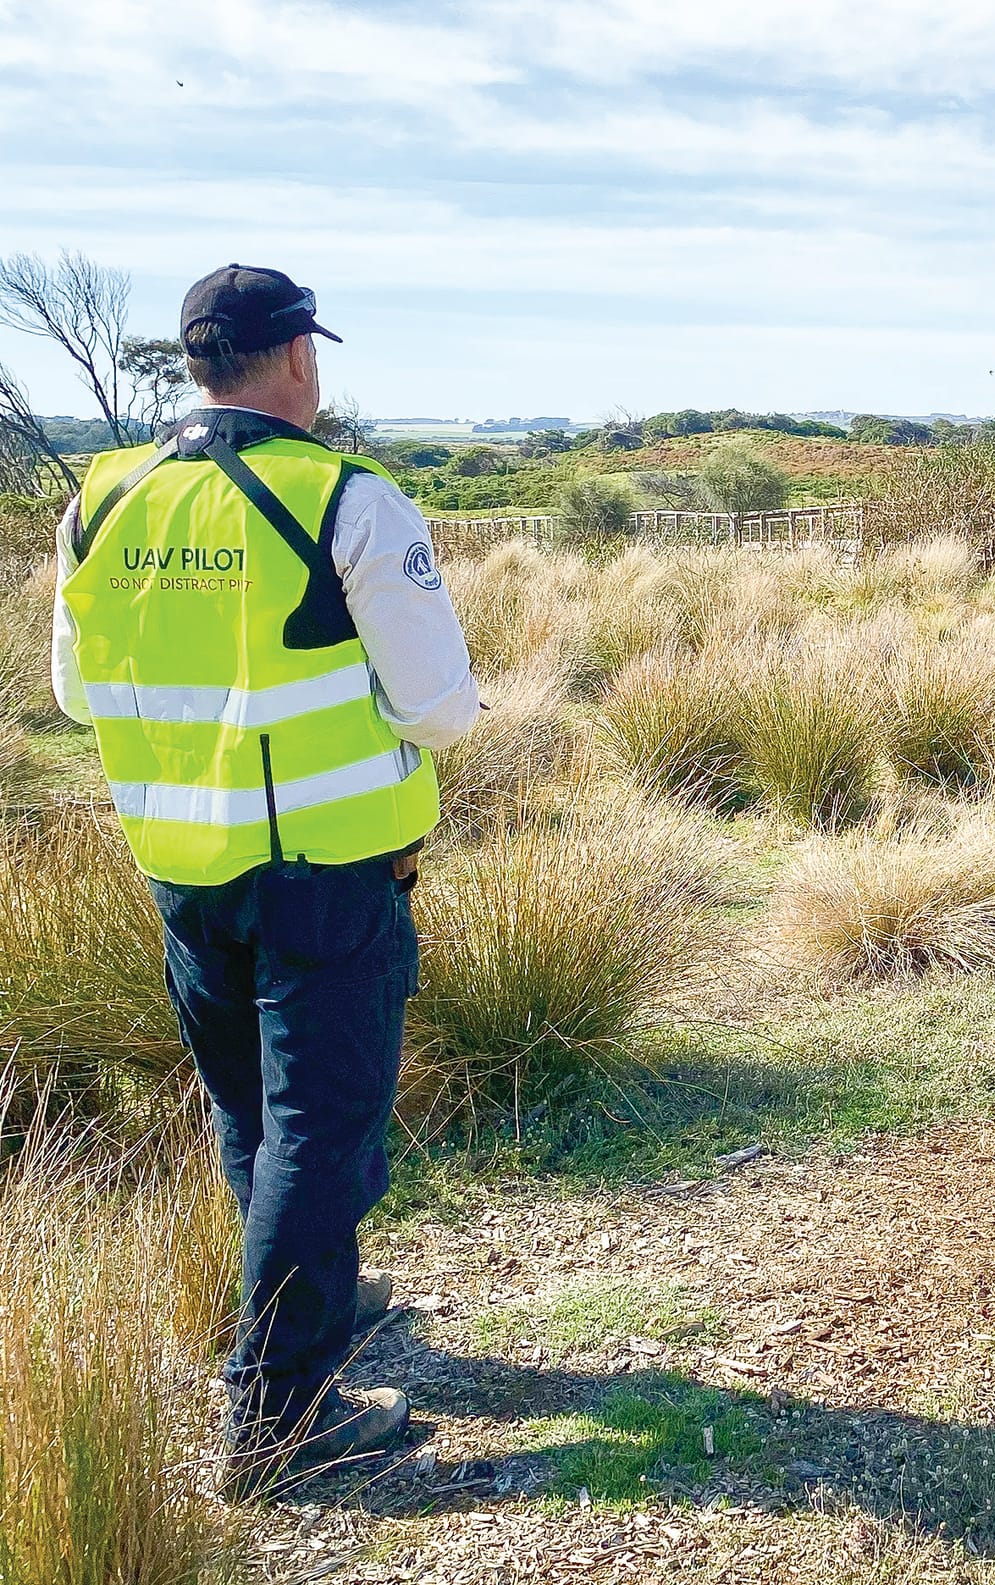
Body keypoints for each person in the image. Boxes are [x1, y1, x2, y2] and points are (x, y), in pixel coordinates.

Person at [50, 264, 480, 1495]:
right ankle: (278, 1419)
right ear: (296, 357)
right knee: (319, 1126)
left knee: (251, 1112)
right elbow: (439, 709)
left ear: (197, 362)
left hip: (182, 864)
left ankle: (299, 1295)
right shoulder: (348, 497)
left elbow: (77, 693)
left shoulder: (104, 497)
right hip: (328, 872)